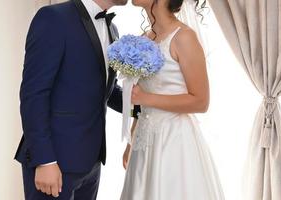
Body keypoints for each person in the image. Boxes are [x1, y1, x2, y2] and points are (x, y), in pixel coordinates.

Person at [13, 0, 138, 199]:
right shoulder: (53, 18)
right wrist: (45, 160)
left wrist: (147, 106)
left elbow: (107, 90)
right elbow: (34, 94)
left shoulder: (112, 29)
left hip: (92, 162)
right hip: (54, 161)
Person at [120, 0, 225, 199]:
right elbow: (140, 101)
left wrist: (146, 98)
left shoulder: (183, 37)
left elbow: (201, 101)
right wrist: (131, 141)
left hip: (174, 139)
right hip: (143, 140)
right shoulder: (145, 38)